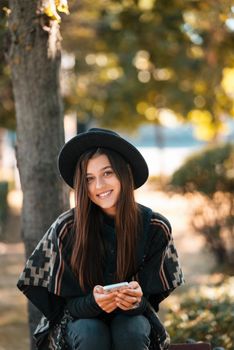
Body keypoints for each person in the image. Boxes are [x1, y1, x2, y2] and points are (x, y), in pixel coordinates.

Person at [17, 128, 184, 350]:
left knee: (131, 329)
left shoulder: (155, 228)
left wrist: (135, 300)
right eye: (89, 178)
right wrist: (92, 302)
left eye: (107, 173)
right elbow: (62, 306)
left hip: (133, 322)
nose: (99, 186)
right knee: (90, 331)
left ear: (124, 172)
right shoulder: (66, 229)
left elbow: (149, 301)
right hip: (78, 325)